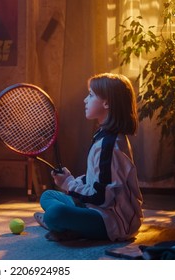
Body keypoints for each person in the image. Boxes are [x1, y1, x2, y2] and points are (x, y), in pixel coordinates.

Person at [34, 73, 143, 242]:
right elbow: (97, 179)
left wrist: (69, 185)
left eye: (91, 95)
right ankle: (69, 227)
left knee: (55, 214)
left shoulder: (109, 146)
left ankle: (63, 225)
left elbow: (102, 198)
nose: (85, 100)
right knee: (48, 196)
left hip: (113, 222)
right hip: (97, 209)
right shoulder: (104, 136)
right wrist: (71, 180)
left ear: (107, 102)